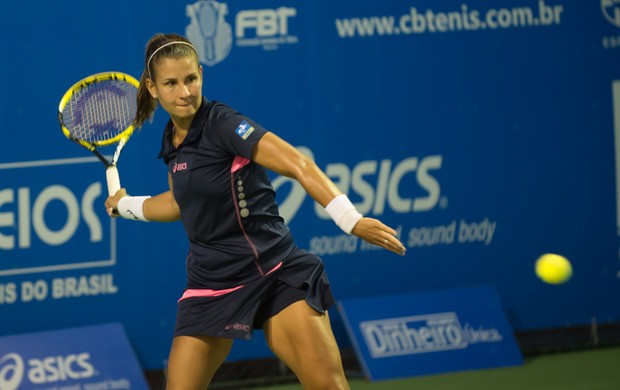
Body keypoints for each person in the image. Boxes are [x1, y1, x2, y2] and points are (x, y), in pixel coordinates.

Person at [105, 32, 407, 389]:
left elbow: (298, 164)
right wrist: (125, 205)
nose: (185, 92)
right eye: (171, 83)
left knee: (328, 386)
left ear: (201, 73)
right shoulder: (173, 141)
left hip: (274, 272)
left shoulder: (224, 124)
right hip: (211, 282)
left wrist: (350, 218)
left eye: (191, 79)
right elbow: (176, 203)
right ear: (152, 88)